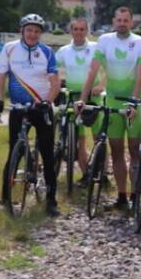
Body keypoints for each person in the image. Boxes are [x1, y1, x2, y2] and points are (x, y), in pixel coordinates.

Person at [78, 7, 141, 210]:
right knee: (116, 151)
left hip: (133, 103)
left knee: (134, 150)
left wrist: (135, 102)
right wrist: (83, 99)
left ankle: (136, 194)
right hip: (112, 102)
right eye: (119, 20)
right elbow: (92, 71)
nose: (122, 23)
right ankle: (122, 195)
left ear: (131, 23)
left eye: (126, 20)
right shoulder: (105, 40)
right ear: (113, 21)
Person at [0, 14, 62, 216]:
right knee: (13, 150)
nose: (33, 34)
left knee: (47, 154)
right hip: (17, 108)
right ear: (22, 31)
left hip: (40, 107)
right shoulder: (10, 49)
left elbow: (55, 83)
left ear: (40, 33)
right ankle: (5, 198)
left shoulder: (47, 52)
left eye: (37, 31)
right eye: (29, 30)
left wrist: (47, 102)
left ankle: (51, 200)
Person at [55, 18, 103, 185]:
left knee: (99, 138)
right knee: (79, 139)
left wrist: (101, 85)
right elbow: (52, 70)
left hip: (93, 97)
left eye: (82, 29)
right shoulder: (63, 51)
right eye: (75, 29)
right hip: (74, 98)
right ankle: (86, 174)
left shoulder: (96, 48)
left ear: (87, 30)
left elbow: (109, 69)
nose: (78, 32)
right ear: (71, 31)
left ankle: (100, 172)